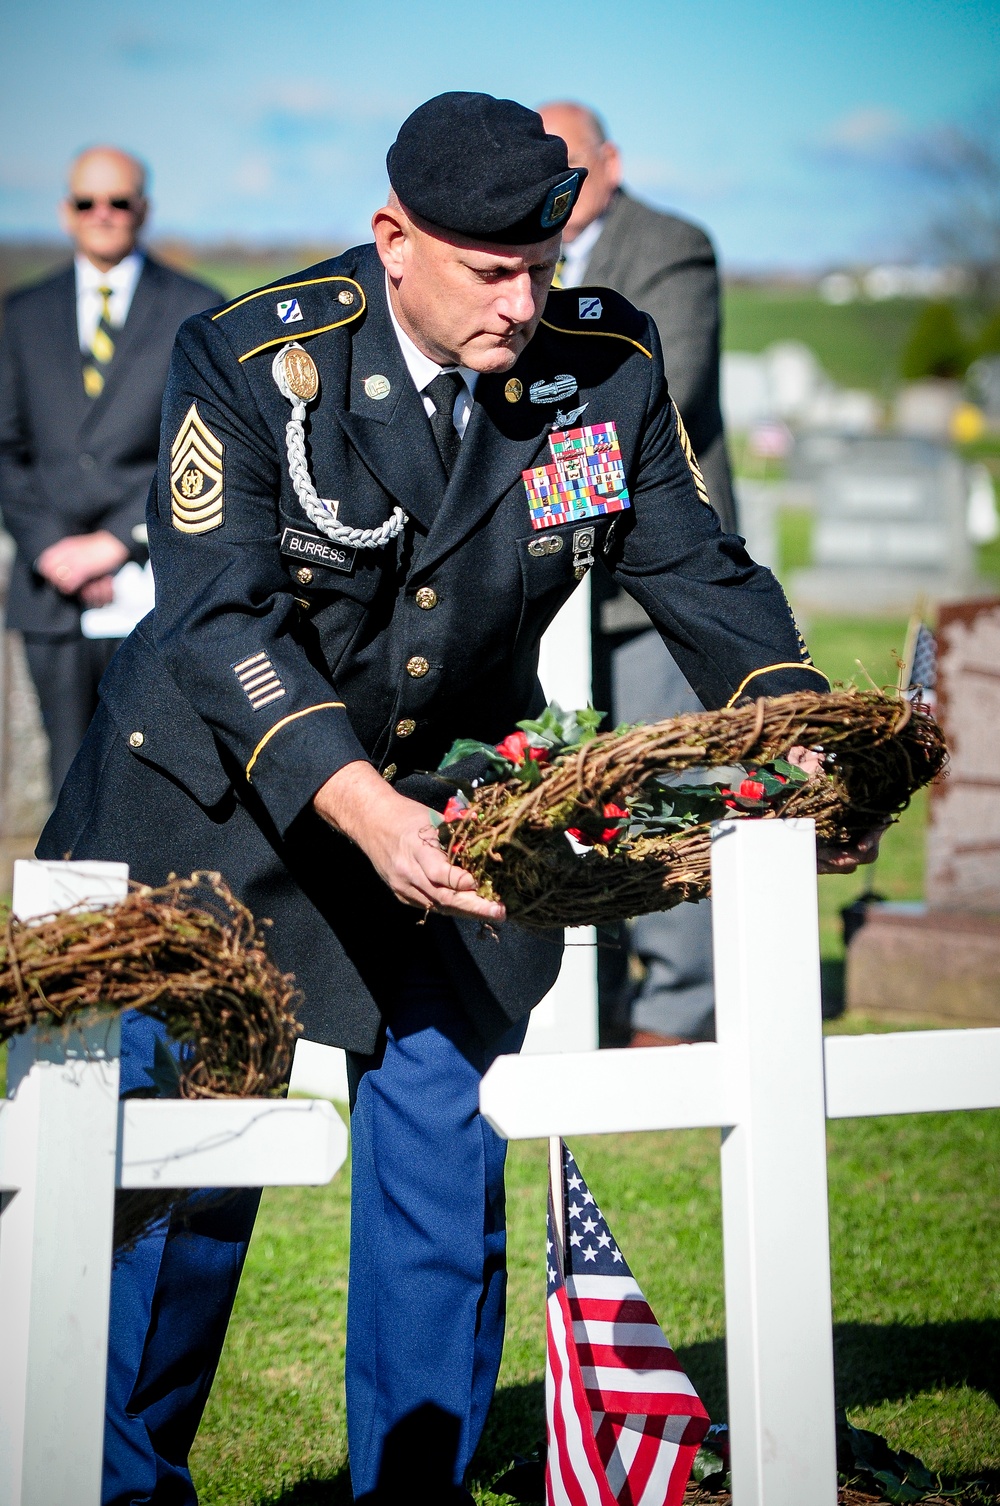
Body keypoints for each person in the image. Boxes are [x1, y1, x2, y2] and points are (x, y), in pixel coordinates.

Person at [39, 93, 871, 1504]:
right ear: (392, 239)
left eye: (541, 264)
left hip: (446, 807)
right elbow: (220, 622)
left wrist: (805, 739)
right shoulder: (250, 359)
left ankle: (410, 1486)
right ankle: (126, 1484)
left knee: (439, 1153)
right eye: (491, 270)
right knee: (186, 1184)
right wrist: (358, 807)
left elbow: (697, 570)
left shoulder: (597, 367)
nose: (524, 300)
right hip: (221, 808)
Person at [538, 101, 736, 1048]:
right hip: (553, 593)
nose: (559, 186)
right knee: (576, 789)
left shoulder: (672, 248)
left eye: (570, 163)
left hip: (651, 586)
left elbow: (668, 390)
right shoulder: (519, 257)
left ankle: (676, 1006)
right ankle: (592, 992)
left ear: (610, 164)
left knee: (670, 787)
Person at [0, 146, 218, 794]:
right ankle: (77, 899)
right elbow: (5, 448)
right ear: (66, 213)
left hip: (156, 582)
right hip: (50, 592)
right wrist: (51, 551)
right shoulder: (18, 315)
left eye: (118, 201)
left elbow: (203, 445)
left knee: (154, 777)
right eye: (87, 202)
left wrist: (118, 539)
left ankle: (151, 901)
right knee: (69, 773)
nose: (103, 215)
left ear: (142, 210)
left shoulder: (197, 309)